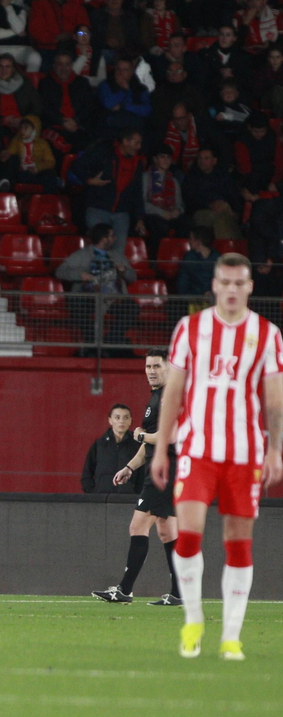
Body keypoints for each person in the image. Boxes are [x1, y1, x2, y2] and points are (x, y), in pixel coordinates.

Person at [149, 253, 283, 660]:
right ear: (214, 284)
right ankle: (193, 621)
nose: (231, 289)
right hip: (197, 449)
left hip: (245, 452)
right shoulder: (190, 329)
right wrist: (161, 447)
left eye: (238, 283)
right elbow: (173, 391)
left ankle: (231, 635)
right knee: (187, 535)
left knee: (238, 544)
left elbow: (274, 399)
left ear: (250, 286)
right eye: (224, 282)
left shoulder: (267, 334)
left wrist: (275, 449)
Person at [94, 350, 183, 605]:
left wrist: (140, 435)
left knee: (138, 526)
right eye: (148, 366)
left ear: (168, 367)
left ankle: (124, 590)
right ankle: (179, 593)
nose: (151, 371)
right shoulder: (157, 397)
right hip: (166, 466)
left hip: (166, 469)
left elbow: (171, 437)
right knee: (166, 531)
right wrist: (129, 468)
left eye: (156, 366)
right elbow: (151, 442)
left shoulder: (168, 396)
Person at [56, 223, 137, 349]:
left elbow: (133, 277)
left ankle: (110, 340)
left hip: (113, 298)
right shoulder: (81, 255)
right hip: (88, 297)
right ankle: (91, 345)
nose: (115, 238)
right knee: (76, 305)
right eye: (112, 236)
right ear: (104, 239)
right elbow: (60, 271)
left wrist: (124, 271)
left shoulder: (117, 255)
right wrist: (80, 275)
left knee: (132, 309)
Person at [80, 402, 141, 493]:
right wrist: (93, 494)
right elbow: (86, 474)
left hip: (129, 500)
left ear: (130, 421)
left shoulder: (137, 445)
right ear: (110, 420)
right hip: (102, 499)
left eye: (126, 417)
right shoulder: (99, 444)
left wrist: (136, 494)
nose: (121, 421)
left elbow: (144, 473)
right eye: (117, 417)